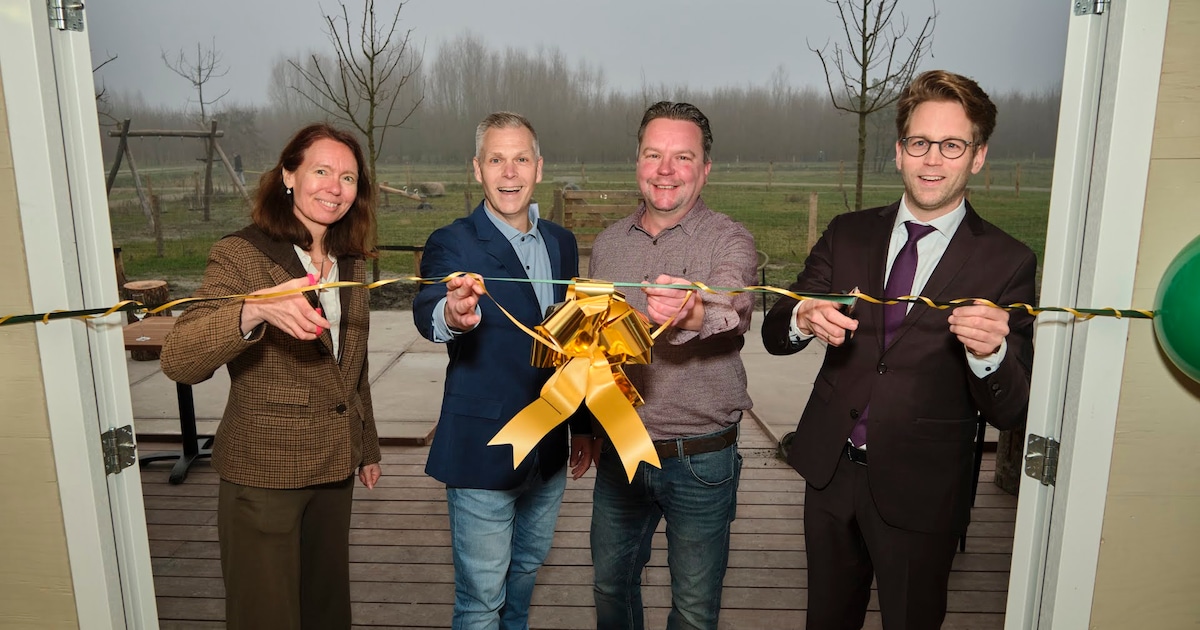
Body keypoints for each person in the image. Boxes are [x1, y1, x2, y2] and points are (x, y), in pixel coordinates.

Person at [761, 70, 1037, 629]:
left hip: (924, 488)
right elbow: (772, 334)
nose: (932, 160)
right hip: (829, 473)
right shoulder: (848, 233)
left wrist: (989, 355)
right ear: (898, 150)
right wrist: (801, 317)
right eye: (919, 143)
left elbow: (1010, 409)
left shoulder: (1008, 262)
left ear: (977, 157)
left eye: (952, 145)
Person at [160, 123, 382, 629]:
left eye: (348, 177)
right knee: (266, 615)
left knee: (327, 611)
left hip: (334, 469)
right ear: (288, 175)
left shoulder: (349, 260)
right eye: (321, 171)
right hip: (264, 473)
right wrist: (252, 311)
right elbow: (180, 359)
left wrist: (365, 444)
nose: (334, 186)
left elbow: (353, 361)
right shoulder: (240, 254)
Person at [413, 111, 593, 630]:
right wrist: (451, 314)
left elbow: (573, 341)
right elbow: (429, 309)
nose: (508, 172)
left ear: (539, 168)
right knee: (480, 602)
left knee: (524, 580)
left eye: (519, 159)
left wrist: (581, 425)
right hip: (483, 452)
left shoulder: (561, 243)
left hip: (550, 451)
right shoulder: (453, 241)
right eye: (496, 159)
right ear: (477, 169)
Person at [587, 101, 758, 629]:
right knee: (610, 586)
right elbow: (596, 348)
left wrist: (692, 310)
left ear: (705, 169)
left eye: (682, 157)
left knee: (693, 610)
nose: (666, 169)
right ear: (637, 162)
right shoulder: (609, 244)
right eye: (653, 154)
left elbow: (734, 308)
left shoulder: (730, 239)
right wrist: (584, 424)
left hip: (701, 459)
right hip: (620, 452)